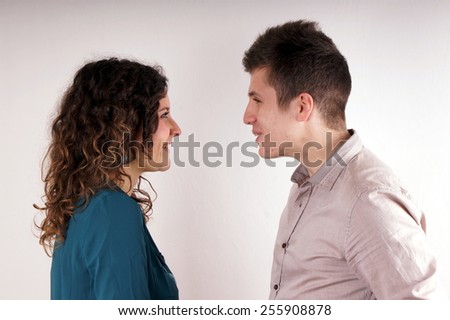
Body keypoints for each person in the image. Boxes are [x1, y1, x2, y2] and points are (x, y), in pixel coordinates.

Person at [242, 20, 444, 299]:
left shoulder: (368, 200)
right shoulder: (308, 184)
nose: (247, 116)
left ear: (302, 106)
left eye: (257, 100)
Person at [35, 58, 181, 299]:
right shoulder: (112, 210)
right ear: (126, 125)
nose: (176, 128)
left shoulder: (87, 205)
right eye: (164, 114)